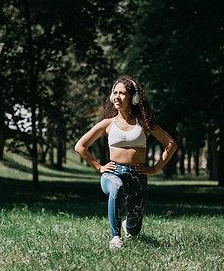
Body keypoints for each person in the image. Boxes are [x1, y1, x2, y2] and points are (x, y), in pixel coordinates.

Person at [74, 75, 178, 249]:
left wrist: (154, 169)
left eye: (122, 93)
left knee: (134, 228)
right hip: (113, 173)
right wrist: (99, 167)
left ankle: (127, 227)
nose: (117, 97)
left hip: (137, 176)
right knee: (117, 187)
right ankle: (115, 238)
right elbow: (80, 146)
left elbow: (171, 144)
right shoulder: (107, 124)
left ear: (133, 98)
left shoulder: (144, 124)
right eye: (115, 93)